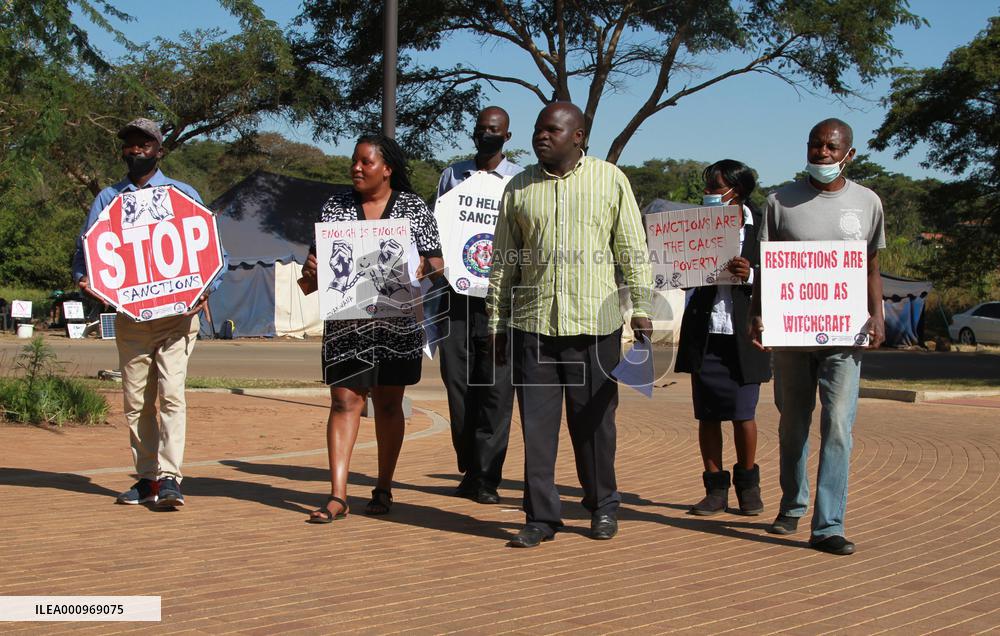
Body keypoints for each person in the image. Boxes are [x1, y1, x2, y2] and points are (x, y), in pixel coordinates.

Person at [487, 102, 653, 548]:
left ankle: (602, 507)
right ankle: (541, 517)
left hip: (594, 327)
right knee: (537, 428)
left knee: (594, 425)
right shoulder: (519, 188)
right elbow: (503, 261)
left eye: (552, 130)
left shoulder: (610, 180)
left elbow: (632, 249)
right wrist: (497, 323)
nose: (541, 136)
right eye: (538, 129)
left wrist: (641, 306)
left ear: (578, 136)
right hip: (533, 326)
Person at [71, 117, 227, 508]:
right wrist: (83, 279)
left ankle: (171, 477)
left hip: (178, 318)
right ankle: (146, 479)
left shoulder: (182, 194)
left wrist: (207, 289)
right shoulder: (108, 200)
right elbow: (86, 253)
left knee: (172, 394)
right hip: (132, 320)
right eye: (130, 145)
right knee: (137, 401)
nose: (136, 150)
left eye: (144, 144)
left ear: (159, 150)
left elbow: (215, 256)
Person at [750, 118, 885, 556]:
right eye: (815, 146)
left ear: (849, 154)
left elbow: (870, 266)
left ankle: (828, 524)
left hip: (845, 339)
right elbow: (765, 267)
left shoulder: (867, 203)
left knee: (839, 428)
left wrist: (878, 315)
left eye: (831, 147)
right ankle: (792, 505)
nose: (822, 154)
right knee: (792, 426)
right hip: (791, 337)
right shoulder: (779, 202)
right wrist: (758, 314)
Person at [299, 134, 443, 524]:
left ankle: (383, 486)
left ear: (388, 168)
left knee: (389, 404)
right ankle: (338, 496)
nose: (357, 169)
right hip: (347, 325)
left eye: (366, 162)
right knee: (344, 402)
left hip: (397, 324)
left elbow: (438, 262)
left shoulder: (413, 208)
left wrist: (423, 268)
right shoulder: (336, 207)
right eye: (354, 162)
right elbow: (312, 274)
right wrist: (310, 272)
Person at [434, 106, 523, 504]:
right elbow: (439, 228)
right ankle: (469, 464)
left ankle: (487, 477)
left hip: (501, 302)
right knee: (458, 386)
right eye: (480, 129)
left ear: (506, 136)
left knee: (495, 390)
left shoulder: (520, 180)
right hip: (456, 298)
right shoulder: (452, 175)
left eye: (494, 130)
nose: (486, 134)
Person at [676, 160, 771, 516]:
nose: (710, 194)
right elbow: (676, 270)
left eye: (717, 187)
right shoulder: (695, 226)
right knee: (708, 414)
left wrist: (751, 275)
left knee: (743, 413)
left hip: (745, 333)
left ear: (738, 190)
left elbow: (780, 273)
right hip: (706, 330)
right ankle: (715, 490)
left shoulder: (762, 227)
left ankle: (749, 487)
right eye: (709, 188)